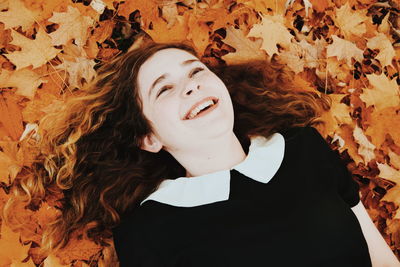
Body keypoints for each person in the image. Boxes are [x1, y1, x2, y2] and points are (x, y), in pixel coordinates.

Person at [3, 41, 399, 266]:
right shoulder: (149, 231)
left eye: (196, 72)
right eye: (164, 89)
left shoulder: (302, 148)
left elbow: (378, 255)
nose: (190, 87)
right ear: (149, 139)